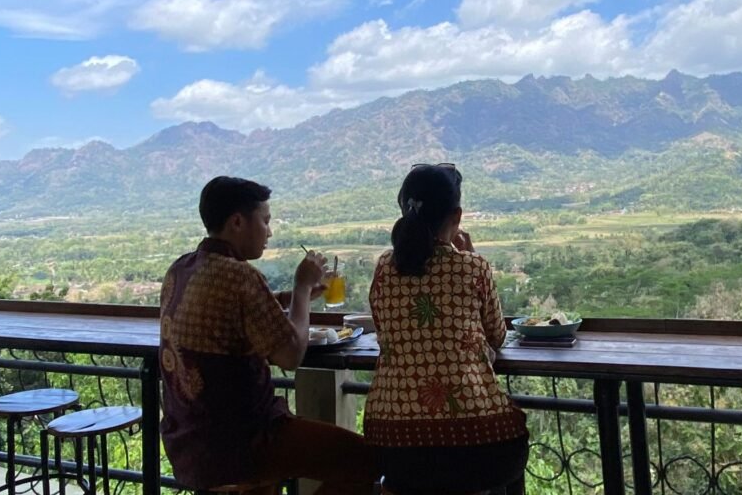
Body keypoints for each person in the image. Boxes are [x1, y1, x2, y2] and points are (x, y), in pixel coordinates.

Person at [159, 176, 379, 495]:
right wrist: (302, 287)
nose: (269, 232)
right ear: (237, 222)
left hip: (189, 439)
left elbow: (233, 310)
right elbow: (291, 356)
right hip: (246, 439)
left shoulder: (181, 268)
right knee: (368, 461)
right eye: (265, 221)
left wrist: (289, 298)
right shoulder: (240, 275)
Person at [364, 164, 529, 495]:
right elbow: (497, 336)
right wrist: (467, 259)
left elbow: (384, 331)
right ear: (457, 215)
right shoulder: (473, 266)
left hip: (395, 447)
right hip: (478, 447)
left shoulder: (384, 267)